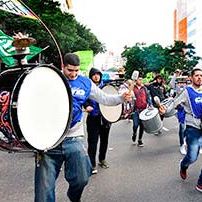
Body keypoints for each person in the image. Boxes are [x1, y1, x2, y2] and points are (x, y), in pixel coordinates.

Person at [34, 53, 132, 202]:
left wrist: (121, 98)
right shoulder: (51, 79)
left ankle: (74, 197)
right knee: (43, 193)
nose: (73, 74)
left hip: (74, 137)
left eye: (76, 70)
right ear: (63, 67)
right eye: (69, 70)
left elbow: (104, 98)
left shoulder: (85, 83)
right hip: (49, 139)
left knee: (82, 179)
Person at [161, 68, 202, 197]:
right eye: (196, 75)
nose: (199, 78)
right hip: (193, 128)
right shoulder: (187, 92)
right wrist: (164, 109)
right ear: (191, 78)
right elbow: (174, 103)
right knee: (192, 157)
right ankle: (184, 165)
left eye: (201, 75)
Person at [84, 67, 113, 175]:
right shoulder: (88, 87)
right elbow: (84, 100)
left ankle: (102, 159)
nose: (96, 76)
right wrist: (87, 106)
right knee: (92, 142)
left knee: (104, 140)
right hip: (93, 118)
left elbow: (111, 99)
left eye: (98, 74)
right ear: (91, 76)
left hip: (105, 119)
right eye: (94, 74)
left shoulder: (106, 87)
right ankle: (92, 164)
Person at [132, 74, 150, 147]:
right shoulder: (133, 88)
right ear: (136, 80)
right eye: (139, 79)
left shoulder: (144, 88)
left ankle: (140, 140)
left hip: (143, 110)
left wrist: (150, 103)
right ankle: (134, 133)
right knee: (135, 125)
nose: (140, 81)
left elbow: (148, 97)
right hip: (135, 110)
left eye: (141, 79)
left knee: (142, 126)